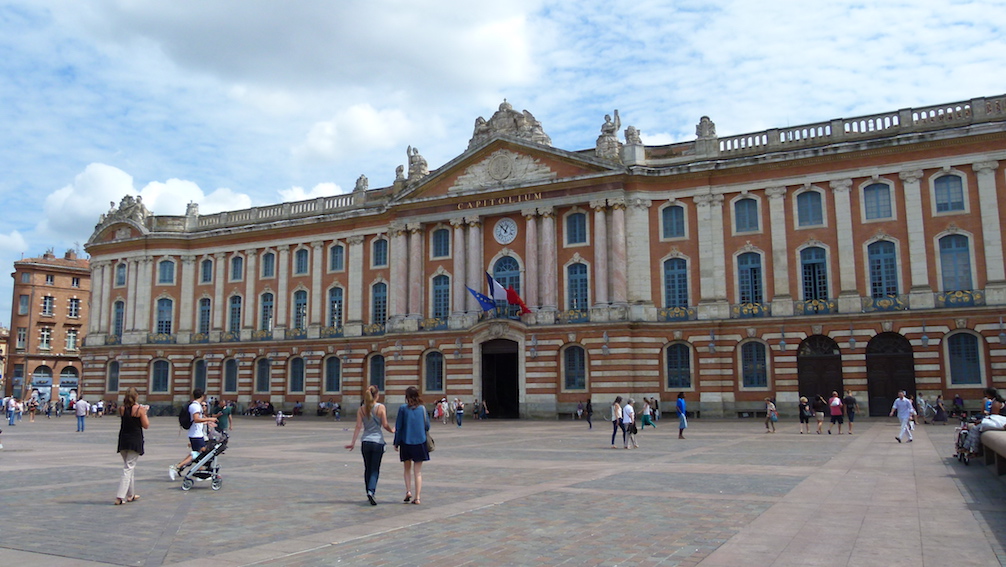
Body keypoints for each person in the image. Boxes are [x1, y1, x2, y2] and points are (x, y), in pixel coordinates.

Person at [345, 385, 394, 505]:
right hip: (377, 442)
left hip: (365, 442)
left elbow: (358, 427)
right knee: (375, 469)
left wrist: (353, 442)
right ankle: (371, 491)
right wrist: (392, 430)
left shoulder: (361, 409)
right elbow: (385, 424)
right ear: (377, 395)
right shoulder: (381, 407)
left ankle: (368, 491)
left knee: (367, 468)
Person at [169, 388, 218, 480]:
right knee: (199, 454)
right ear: (203, 396)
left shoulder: (195, 405)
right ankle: (177, 467)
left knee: (199, 454)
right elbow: (196, 419)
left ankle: (200, 474)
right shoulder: (195, 406)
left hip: (196, 434)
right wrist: (209, 419)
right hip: (196, 435)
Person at [394, 386, 430, 505]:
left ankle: (408, 491)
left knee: (407, 469)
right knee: (418, 472)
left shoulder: (403, 409)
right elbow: (427, 426)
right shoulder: (423, 409)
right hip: (420, 442)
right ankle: (418, 497)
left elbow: (399, 427)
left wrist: (396, 442)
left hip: (406, 442)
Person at [115, 387, 149, 505]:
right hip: (134, 440)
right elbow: (146, 425)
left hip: (123, 439)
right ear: (136, 396)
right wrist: (145, 412)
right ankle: (120, 496)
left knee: (129, 467)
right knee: (128, 468)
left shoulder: (122, 408)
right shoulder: (139, 409)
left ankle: (131, 495)